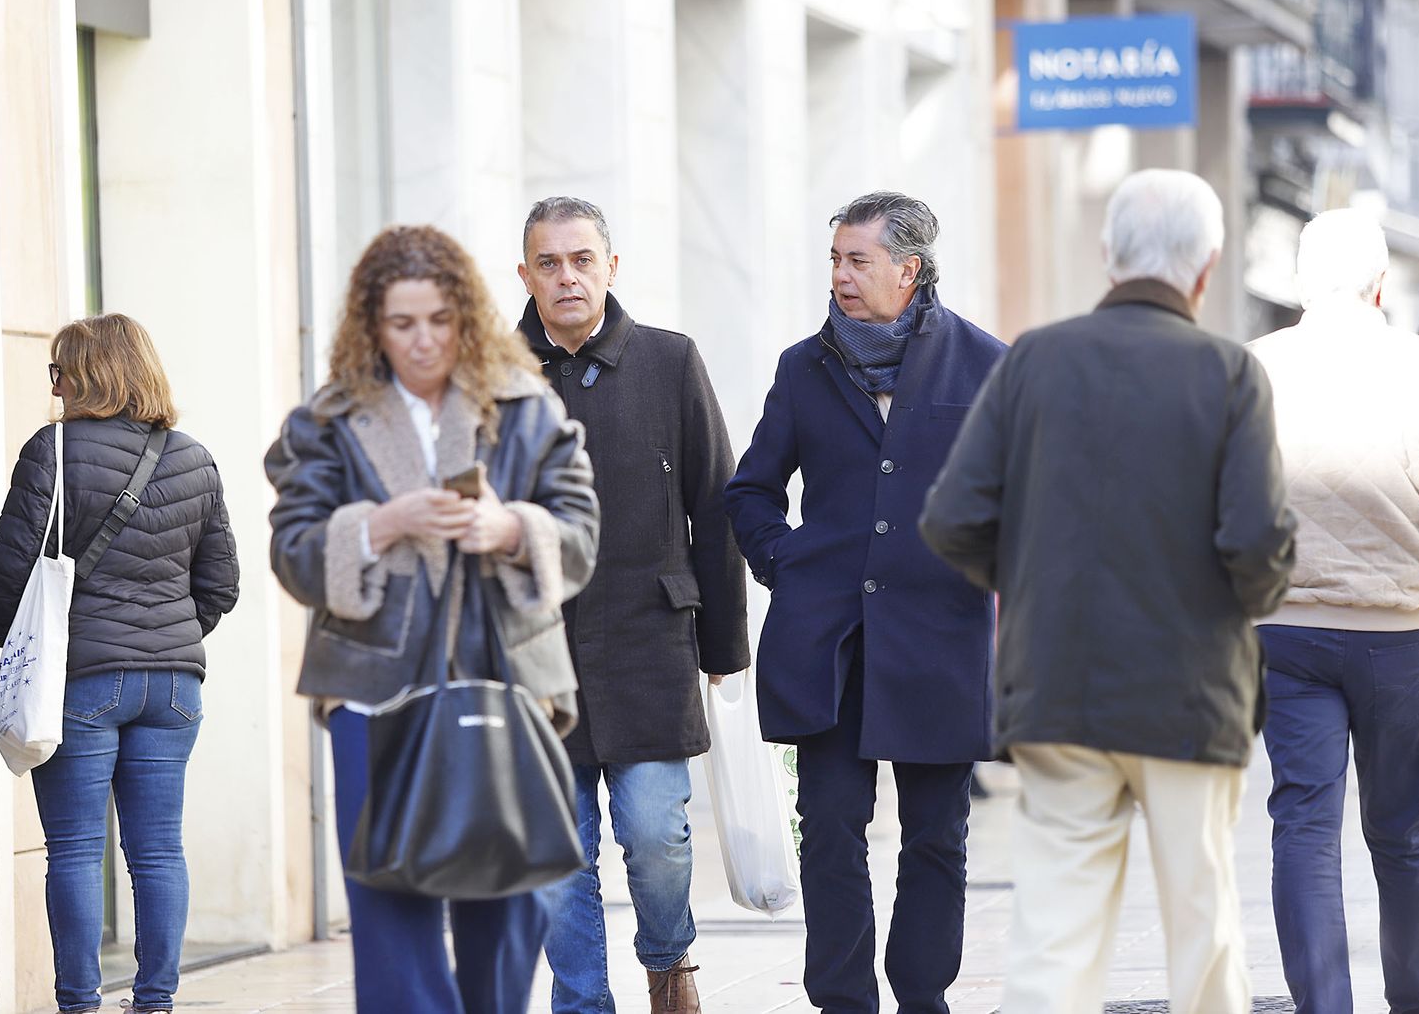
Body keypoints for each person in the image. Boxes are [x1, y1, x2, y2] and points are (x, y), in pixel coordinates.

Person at [920, 169, 1297, 1014]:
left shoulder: (1035, 361)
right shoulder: (1230, 372)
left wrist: (1030, 581)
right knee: (1202, 923)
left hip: (1056, 688)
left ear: (1107, 255)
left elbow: (951, 519)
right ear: (1205, 268)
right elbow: (1256, 547)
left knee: (1055, 932)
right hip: (1190, 693)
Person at [265, 224, 600, 1014]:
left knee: (514, 896)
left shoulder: (527, 407)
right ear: (371, 326)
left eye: (439, 321)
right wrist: (379, 524)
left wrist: (511, 527)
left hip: (507, 680)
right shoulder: (330, 420)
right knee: (391, 905)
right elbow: (294, 550)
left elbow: (581, 532)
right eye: (401, 323)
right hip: (373, 689)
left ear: (466, 317)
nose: (422, 342)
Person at [725, 191, 1004, 1014]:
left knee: (936, 838)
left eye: (859, 261)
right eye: (836, 261)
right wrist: (790, 564)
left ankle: (923, 997)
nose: (841, 278)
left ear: (908, 270)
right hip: (829, 645)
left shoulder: (986, 364)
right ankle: (842, 1000)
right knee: (833, 832)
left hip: (940, 643)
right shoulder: (801, 367)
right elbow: (750, 490)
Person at [515, 196, 750, 1014]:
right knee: (559, 855)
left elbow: (715, 504)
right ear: (526, 276)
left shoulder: (669, 360)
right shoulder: (492, 380)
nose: (567, 276)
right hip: (534, 657)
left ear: (611, 267)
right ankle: (582, 1003)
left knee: (656, 836)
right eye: (549, 262)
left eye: (582, 259)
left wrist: (724, 647)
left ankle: (667, 961)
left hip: (651, 644)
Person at [0, 313, 241, 1014]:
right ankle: (154, 1001)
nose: (56, 383)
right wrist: (167, 640)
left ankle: (80, 1004)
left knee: (71, 849)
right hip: (175, 688)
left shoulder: (54, 451)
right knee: (158, 851)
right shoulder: (193, 457)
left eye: (60, 369)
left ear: (88, 374)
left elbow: (10, 568)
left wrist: (21, 641)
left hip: (84, 681)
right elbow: (220, 585)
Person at [1246, 208, 1419, 1014]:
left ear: (1299, 281)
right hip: (1401, 633)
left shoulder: (1254, 365)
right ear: (1377, 283)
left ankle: (1322, 1005)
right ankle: (1417, 1003)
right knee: (1402, 833)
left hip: (1284, 628)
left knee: (1303, 822)